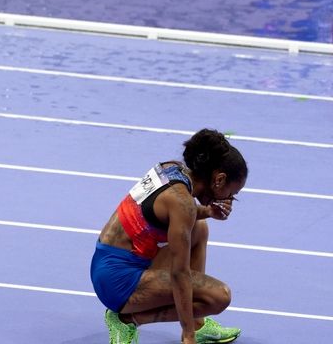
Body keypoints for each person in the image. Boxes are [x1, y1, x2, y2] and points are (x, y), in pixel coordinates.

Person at [90, 129, 248, 344]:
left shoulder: (172, 169)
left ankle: (199, 324)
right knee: (219, 297)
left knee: (199, 227)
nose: (229, 198)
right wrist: (187, 335)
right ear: (219, 179)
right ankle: (128, 320)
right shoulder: (182, 203)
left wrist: (209, 212)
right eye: (232, 193)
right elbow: (179, 274)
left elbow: (168, 213)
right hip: (118, 282)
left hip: (108, 262)